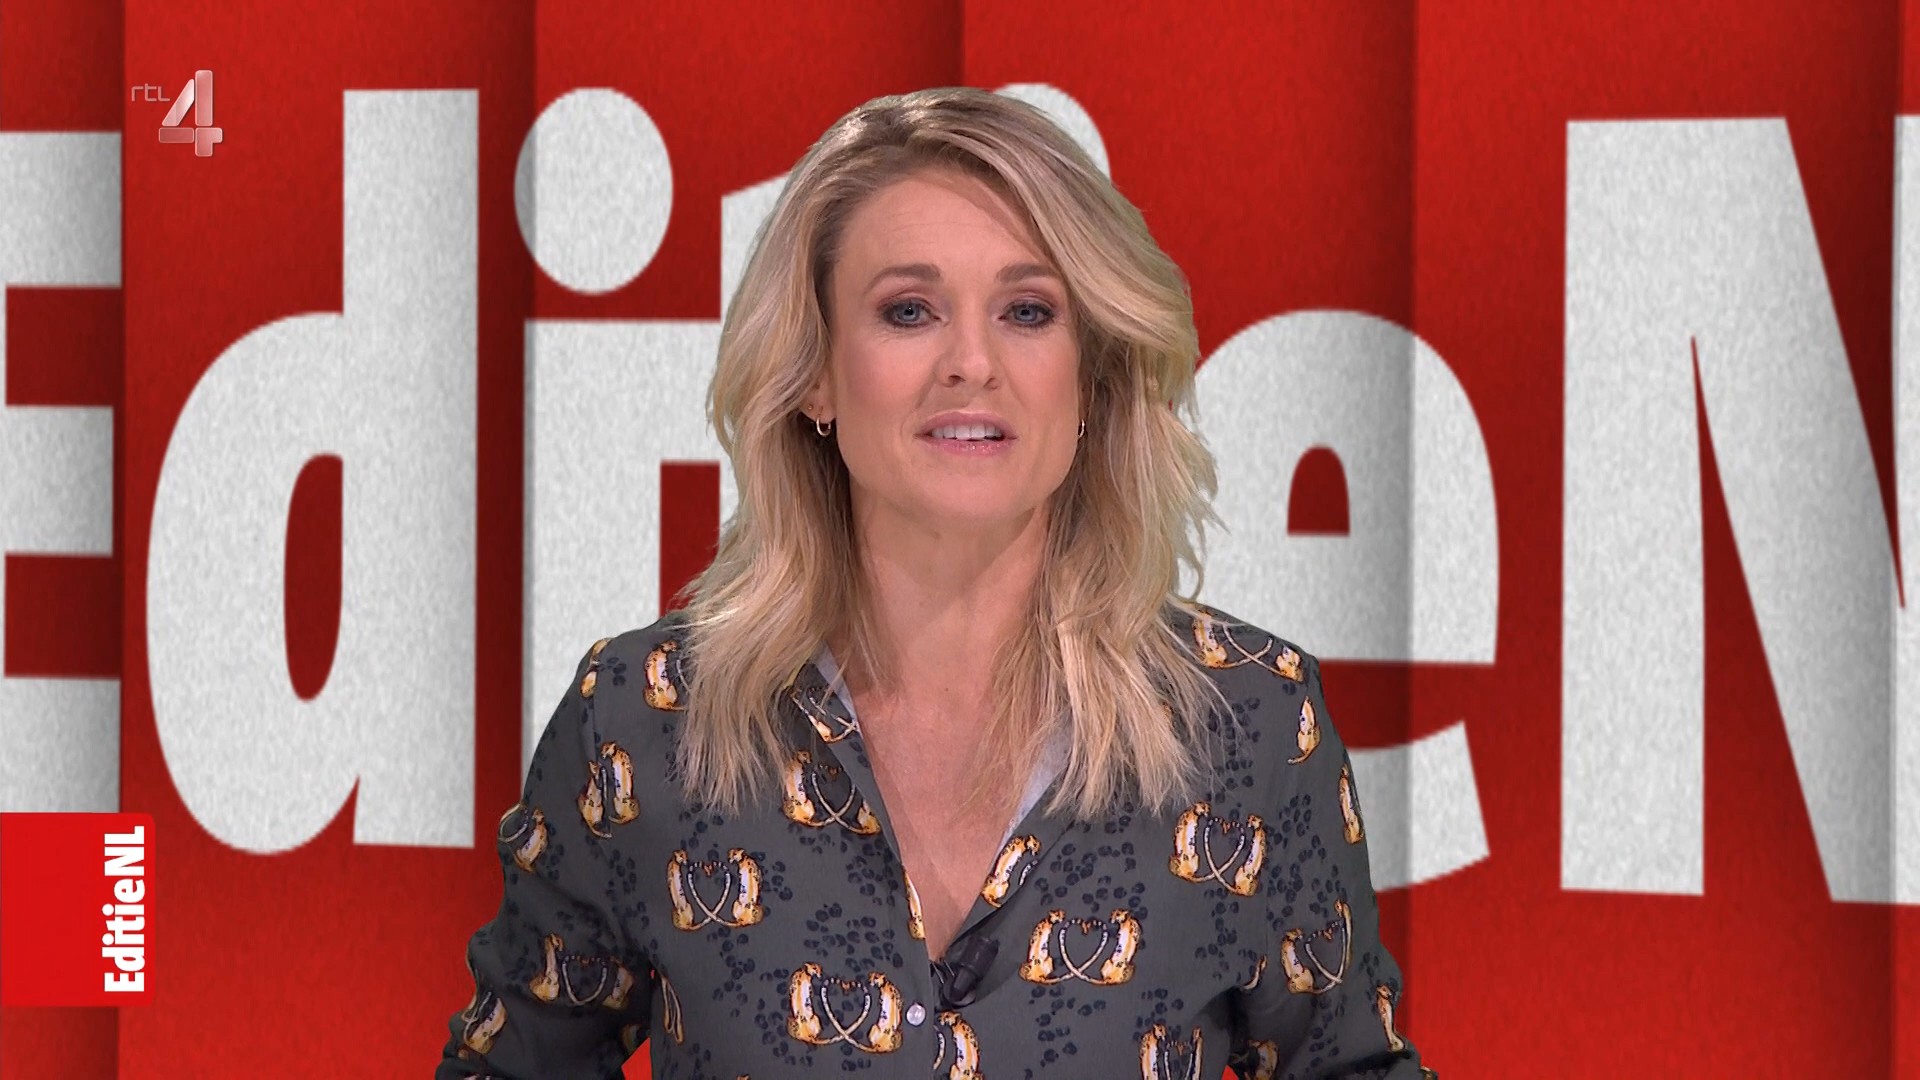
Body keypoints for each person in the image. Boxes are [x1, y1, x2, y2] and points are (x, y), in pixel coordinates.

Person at [438, 85, 1433, 1079]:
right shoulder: (644, 720)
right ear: (817, 372)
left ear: (1090, 376)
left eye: (1027, 311)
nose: (971, 362)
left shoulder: (1249, 723)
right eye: (909, 311)